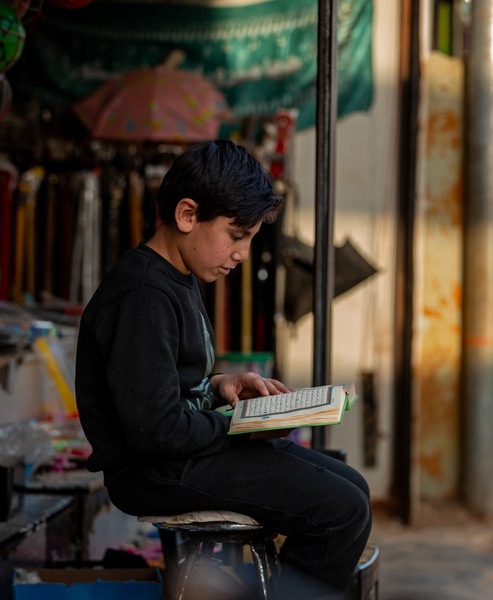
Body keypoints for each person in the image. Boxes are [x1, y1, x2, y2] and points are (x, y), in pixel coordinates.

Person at [74, 140, 372, 598]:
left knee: (349, 482)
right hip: (155, 470)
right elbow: (155, 428)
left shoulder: (180, 277)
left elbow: (167, 384)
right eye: (237, 236)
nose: (242, 254)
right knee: (342, 509)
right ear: (188, 215)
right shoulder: (143, 296)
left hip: (181, 453)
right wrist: (239, 426)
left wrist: (219, 386)